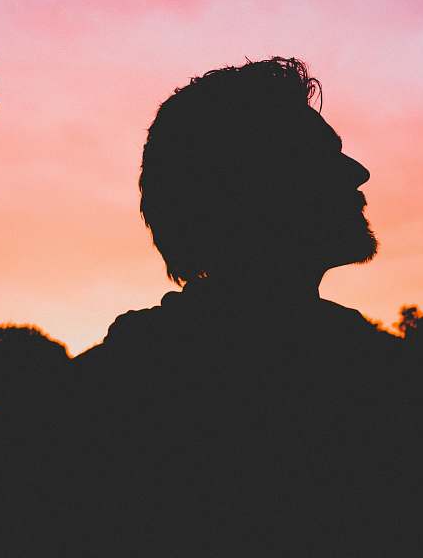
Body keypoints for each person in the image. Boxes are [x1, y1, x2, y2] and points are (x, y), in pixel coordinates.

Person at [67, 58, 403, 545]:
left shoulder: (100, 392)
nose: (359, 173)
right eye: (321, 156)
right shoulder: (383, 390)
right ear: (251, 186)